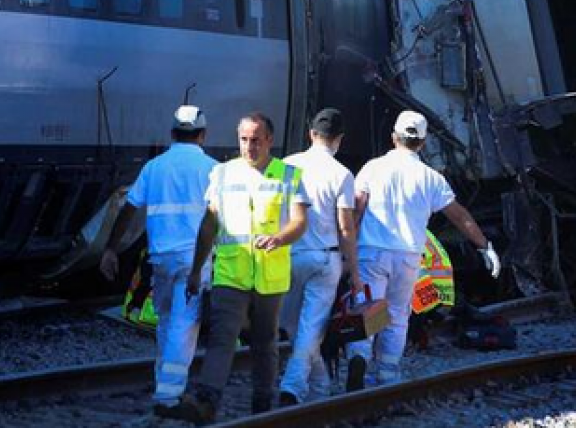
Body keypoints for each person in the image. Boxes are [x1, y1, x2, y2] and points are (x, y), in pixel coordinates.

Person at [171, 113, 311, 425]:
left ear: (270, 141)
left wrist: (279, 237)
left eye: (256, 140)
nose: (249, 146)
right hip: (230, 274)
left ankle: (262, 404)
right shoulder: (222, 174)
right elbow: (209, 225)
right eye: (244, 139)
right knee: (223, 336)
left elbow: (300, 222)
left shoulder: (289, 175)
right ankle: (207, 399)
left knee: (264, 342)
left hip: (269, 276)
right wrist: (197, 270)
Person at [346, 111, 501, 390]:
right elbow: (459, 215)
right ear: (423, 142)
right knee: (395, 314)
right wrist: (485, 246)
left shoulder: (372, 168)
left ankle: (359, 356)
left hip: (372, 251)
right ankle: (387, 375)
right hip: (407, 255)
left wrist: (345, 247)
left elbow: (357, 209)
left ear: (394, 137)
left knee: (369, 309)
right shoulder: (431, 177)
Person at [99, 105, 216, 418]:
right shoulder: (212, 169)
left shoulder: (154, 167)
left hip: (160, 258)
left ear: (173, 133)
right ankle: (169, 396)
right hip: (195, 259)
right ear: (202, 135)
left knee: (166, 322)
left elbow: (129, 208)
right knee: (185, 326)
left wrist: (111, 249)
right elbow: (220, 219)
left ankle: (163, 384)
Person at [277, 108, 363, 406]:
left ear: (311, 134)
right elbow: (346, 228)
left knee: (293, 327)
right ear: (339, 139)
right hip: (325, 260)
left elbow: (271, 209)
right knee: (310, 328)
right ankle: (293, 386)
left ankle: (320, 388)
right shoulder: (342, 175)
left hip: (287, 256)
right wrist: (354, 270)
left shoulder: (285, 165)